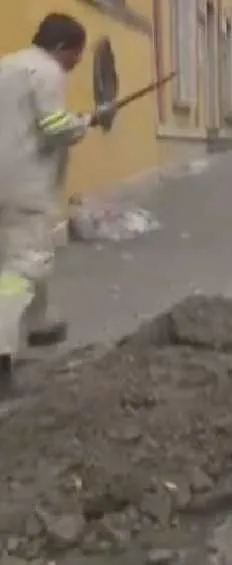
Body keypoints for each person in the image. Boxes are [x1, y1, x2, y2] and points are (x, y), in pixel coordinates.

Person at [0, 13, 110, 392]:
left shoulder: (7, 66)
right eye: (75, 57)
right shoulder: (46, 71)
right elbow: (54, 127)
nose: (75, 64)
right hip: (25, 186)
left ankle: (40, 324)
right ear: (62, 47)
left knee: (20, 254)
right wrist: (87, 120)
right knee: (22, 270)